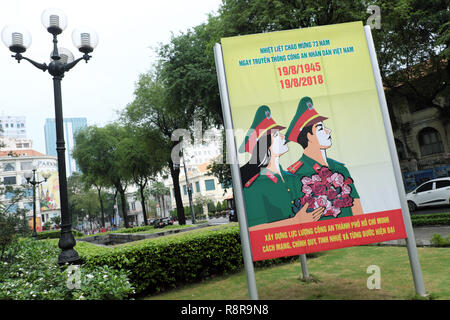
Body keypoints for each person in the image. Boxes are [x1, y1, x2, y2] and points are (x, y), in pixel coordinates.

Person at [240, 105, 324, 231]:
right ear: (265, 146)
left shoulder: (293, 178)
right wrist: (295, 222)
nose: (284, 137)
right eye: (276, 135)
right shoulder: (254, 187)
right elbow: (254, 229)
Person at [285, 96, 364, 220]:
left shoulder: (339, 168)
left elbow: (357, 209)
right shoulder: (295, 175)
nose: (329, 131)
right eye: (321, 128)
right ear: (308, 136)